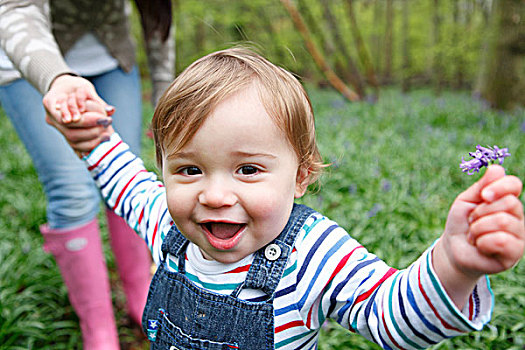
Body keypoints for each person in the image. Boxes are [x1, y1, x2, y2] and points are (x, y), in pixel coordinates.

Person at [50, 48, 524, 349]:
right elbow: (126, 181)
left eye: (248, 170)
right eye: (189, 169)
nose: (214, 195)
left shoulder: (313, 254)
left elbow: (392, 318)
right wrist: (91, 138)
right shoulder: (167, 224)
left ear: (300, 177)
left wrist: (455, 267)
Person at [0, 1, 174, 348]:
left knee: (126, 180)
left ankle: (142, 301)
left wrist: (163, 88)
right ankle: (99, 330)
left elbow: (157, 12)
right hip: (28, 63)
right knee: (73, 191)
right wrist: (57, 78)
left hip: (112, 59)